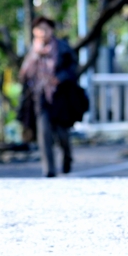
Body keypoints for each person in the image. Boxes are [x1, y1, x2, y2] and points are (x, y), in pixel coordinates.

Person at [19, 16, 79, 178]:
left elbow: (72, 69)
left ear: (52, 30)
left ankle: (67, 157)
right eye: (39, 29)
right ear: (34, 31)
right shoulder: (32, 51)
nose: (43, 32)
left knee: (62, 134)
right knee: (44, 133)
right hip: (39, 97)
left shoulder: (62, 48)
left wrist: (60, 78)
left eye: (46, 29)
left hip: (60, 97)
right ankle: (49, 169)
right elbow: (24, 74)